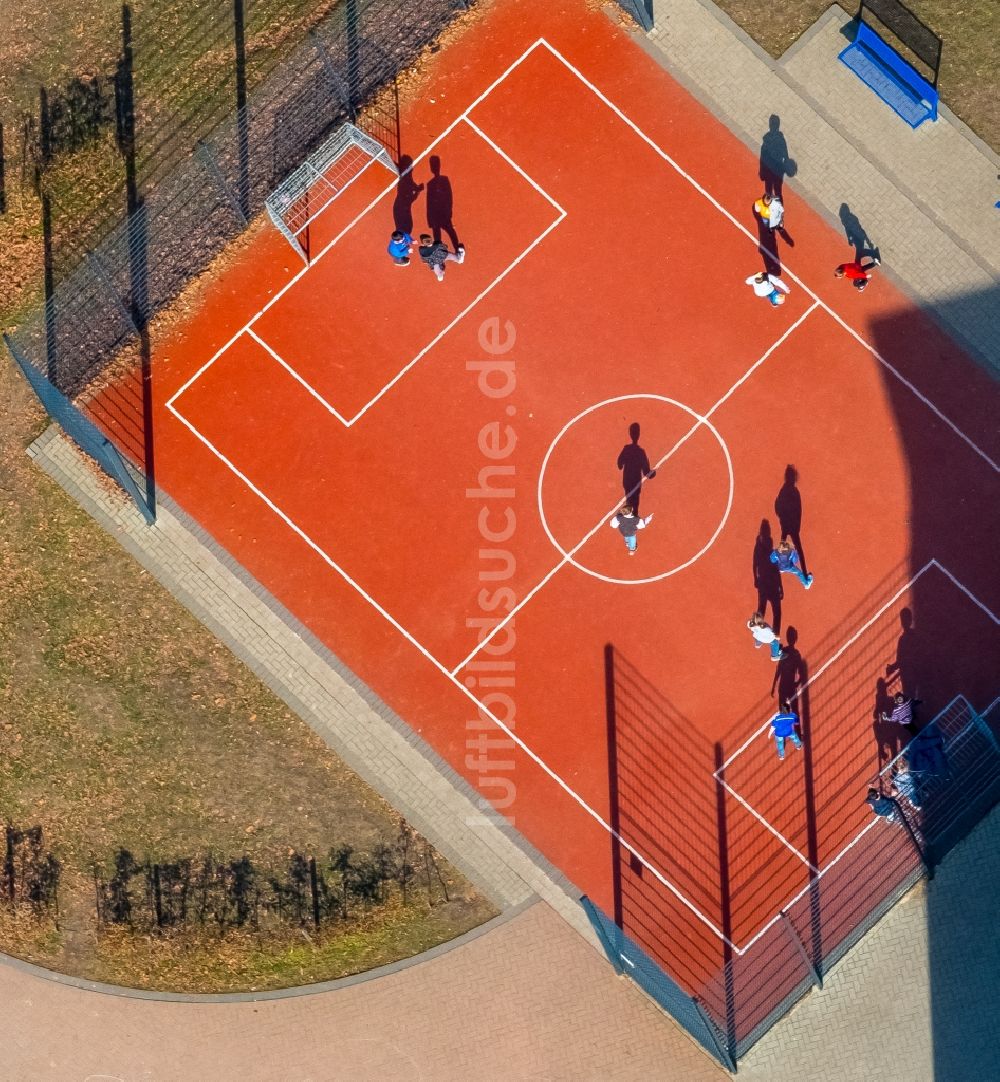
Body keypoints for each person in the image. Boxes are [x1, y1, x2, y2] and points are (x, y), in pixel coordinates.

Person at [616, 422, 656, 516]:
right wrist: (653, 473)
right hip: (636, 482)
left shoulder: (626, 449)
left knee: (629, 500)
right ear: (638, 434)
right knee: (635, 502)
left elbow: (619, 465)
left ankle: (628, 519)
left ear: (630, 434)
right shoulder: (641, 452)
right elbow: (647, 473)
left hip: (626, 481)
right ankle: (632, 520)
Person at [774, 465, 807, 576]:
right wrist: (798, 526)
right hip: (793, 525)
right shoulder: (795, 492)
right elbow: (799, 510)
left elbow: (779, 509)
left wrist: (781, 518)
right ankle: (805, 574)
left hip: (785, 523)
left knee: (783, 543)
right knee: (799, 548)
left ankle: (780, 565)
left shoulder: (783, 490)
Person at [753, 519, 782, 634]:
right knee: (777, 613)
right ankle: (775, 640)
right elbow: (776, 569)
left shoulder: (758, 547)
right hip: (772, 583)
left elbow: (754, 564)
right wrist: (780, 586)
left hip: (763, 582)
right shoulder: (769, 548)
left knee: (762, 609)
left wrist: (756, 579)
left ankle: (758, 636)